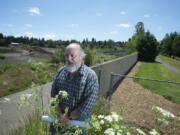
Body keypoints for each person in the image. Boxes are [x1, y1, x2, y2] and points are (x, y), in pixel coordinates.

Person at [50, 43, 99, 135]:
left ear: (81, 56)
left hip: (78, 123)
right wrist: (61, 115)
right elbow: (53, 95)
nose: (69, 59)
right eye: (67, 56)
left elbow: (89, 103)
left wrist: (68, 117)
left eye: (72, 55)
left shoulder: (90, 75)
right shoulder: (60, 72)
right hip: (59, 119)